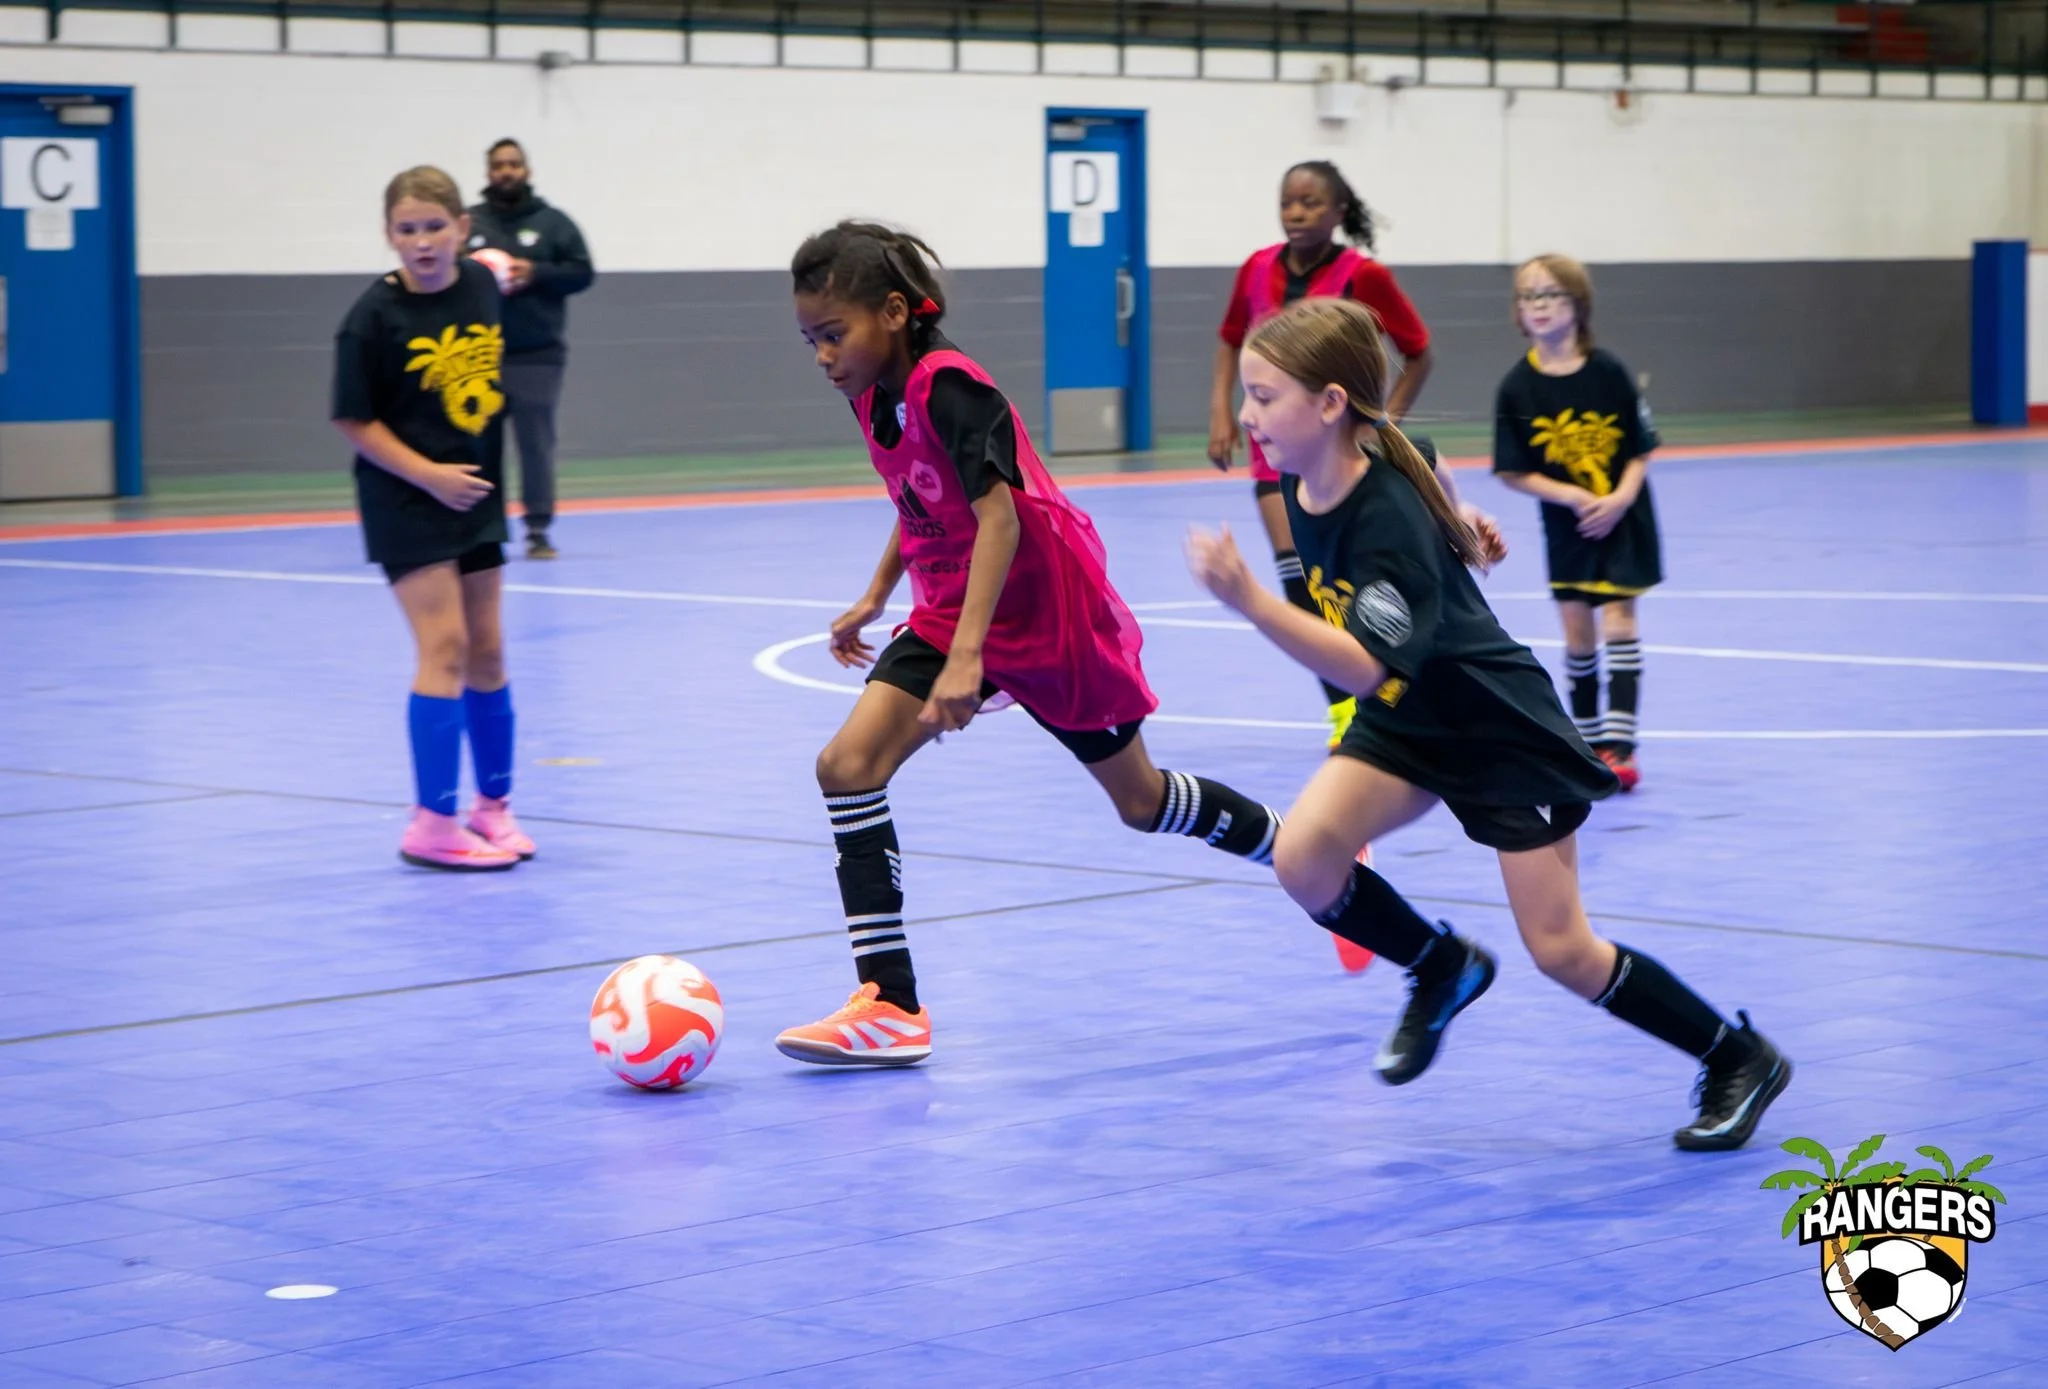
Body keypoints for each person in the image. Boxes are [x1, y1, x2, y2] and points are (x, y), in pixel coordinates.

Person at [1185, 297, 1789, 1151]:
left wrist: (1249, 599)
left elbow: (1361, 666)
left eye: (1264, 395)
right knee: (1304, 858)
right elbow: (1422, 461)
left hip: (1493, 724)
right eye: (1246, 393)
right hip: (1411, 721)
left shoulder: (1382, 514)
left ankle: (1737, 1055)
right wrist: (1463, 523)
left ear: (1330, 403)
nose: (1247, 414)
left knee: (1561, 949)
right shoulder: (1317, 470)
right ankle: (1441, 965)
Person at [773, 221, 1288, 1067]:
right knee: (847, 766)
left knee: (1142, 802)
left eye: (834, 335)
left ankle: (1285, 838)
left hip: (1045, 612)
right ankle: (891, 1003)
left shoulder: (953, 387)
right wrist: (875, 595)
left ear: (895, 313)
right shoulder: (873, 395)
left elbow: (998, 517)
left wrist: (970, 660)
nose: (824, 356)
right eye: (811, 342)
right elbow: (921, 502)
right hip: (955, 606)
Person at [333, 166, 535, 872]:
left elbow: (506, 279)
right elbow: (352, 418)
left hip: (473, 491)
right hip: (406, 495)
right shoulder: (370, 319)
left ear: (461, 228)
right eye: (406, 230)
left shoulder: (481, 282)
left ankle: (494, 809)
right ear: (390, 235)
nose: (420, 242)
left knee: (488, 649)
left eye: (433, 227)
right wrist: (428, 474)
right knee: (443, 647)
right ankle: (431, 821)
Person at [1208, 161, 1444, 749]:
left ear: (1339, 213)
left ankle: (1380, 690)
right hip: (1276, 455)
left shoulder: (1364, 276)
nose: (1296, 213)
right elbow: (1231, 338)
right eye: (1288, 202)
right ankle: (1346, 714)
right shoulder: (1257, 268)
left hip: (1337, 454)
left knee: (1342, 581)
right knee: (1300, 584)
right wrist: (1221, 410)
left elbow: (1417, 351)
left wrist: (1376, 421)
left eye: (1311, 204)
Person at [1492, 254, 1662, 791]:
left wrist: (1618, 499)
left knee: (1619, 623)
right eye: (1528, 297)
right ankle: (1587, 746)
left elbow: (1640, 449)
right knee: (1577, 634)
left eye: (1551, 295)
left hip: (1621, 519)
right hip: (1568, 527)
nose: (1539, 306)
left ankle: (1622, 746)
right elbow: (1513, 470)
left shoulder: (1609, 371)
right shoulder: (1517, 386)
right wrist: (1569, 495)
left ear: (1578, 305)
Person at [467, 138, 595, 561]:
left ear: (527, 170)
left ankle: (538, 530)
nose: (506, 171)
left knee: (535, 446)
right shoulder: (469, 223)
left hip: (537, 355)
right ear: (488, 173)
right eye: (499, 165)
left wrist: (535, 272)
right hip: (478, 356)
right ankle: (481, 530)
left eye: (514, 164)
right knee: (478, 446)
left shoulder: (554, 223)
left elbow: (582, 272)